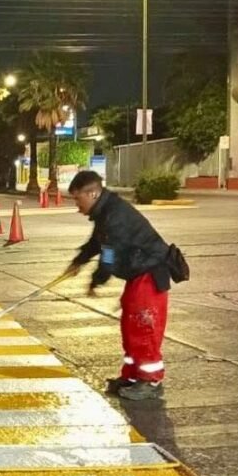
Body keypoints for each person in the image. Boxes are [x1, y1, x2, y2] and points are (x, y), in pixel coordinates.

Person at [64, 170, 171, 401]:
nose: (77, 205)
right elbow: (96, 243)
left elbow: (108, 257)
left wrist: (96, 281)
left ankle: (151, 381)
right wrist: (78, 262)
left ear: (92, 193)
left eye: (77, 198)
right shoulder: (106, 211)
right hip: (137, 274)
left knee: (143, 328)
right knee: (130, 328)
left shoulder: (114, 216)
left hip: (150, 274)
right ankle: (132, 376)